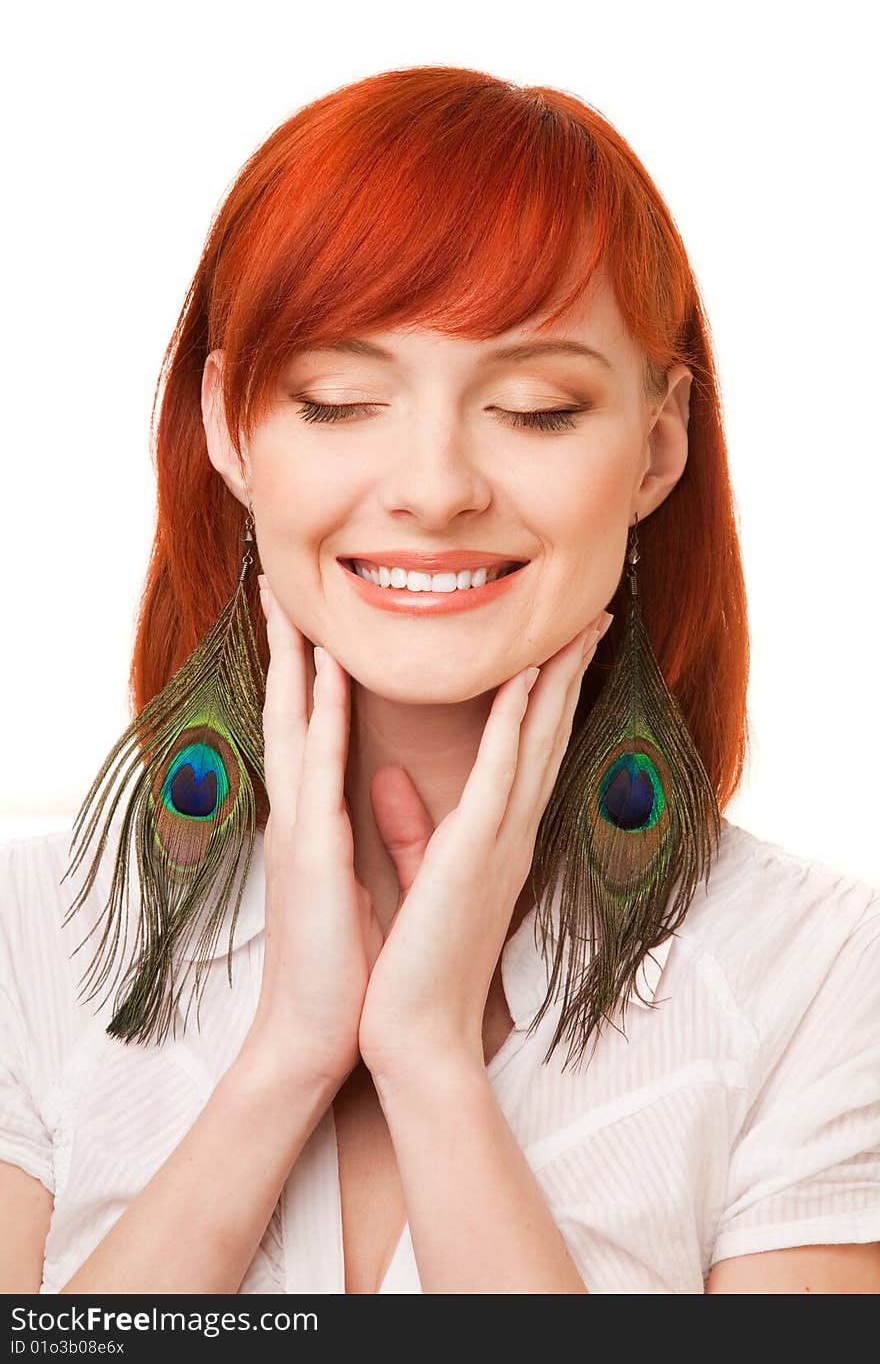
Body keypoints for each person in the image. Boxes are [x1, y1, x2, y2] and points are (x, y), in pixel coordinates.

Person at [2, 64, 879, 1297]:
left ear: (656, 446)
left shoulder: (821, 970)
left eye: (533, 408)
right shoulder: (31, 932)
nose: (433, 486)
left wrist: (427, 1061)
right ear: (227, 427)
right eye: (340, 399)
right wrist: (288, 1058)